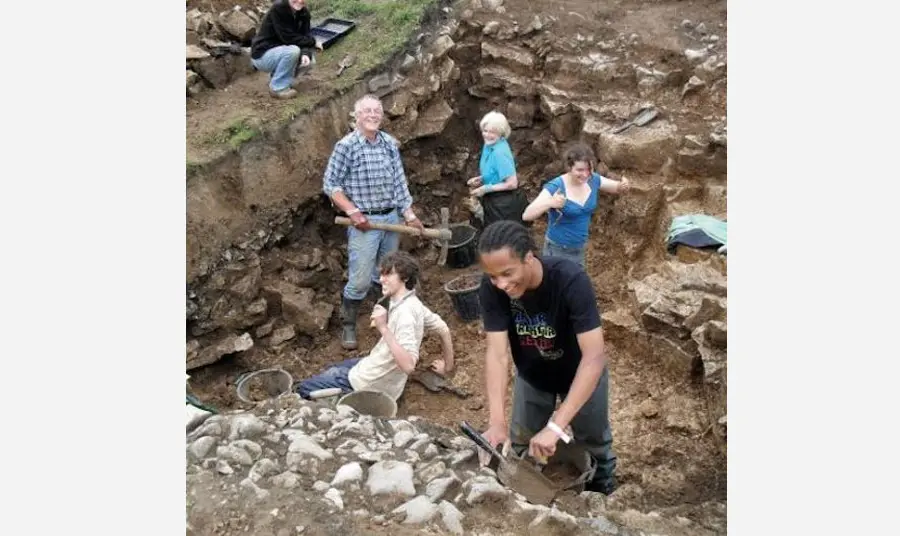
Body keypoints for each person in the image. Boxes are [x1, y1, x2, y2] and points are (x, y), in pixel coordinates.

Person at [475, 220, 618, 495]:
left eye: (507, 273)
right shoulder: (492, 287)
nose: (501, 284)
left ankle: (602, 491)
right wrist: (496, 422)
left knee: (594, 442)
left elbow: (594, 357)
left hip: (580, 373)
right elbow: (497, 353)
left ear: (529, 257)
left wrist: (556, 425)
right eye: (493, 276)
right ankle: (524, 494)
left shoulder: (570, 280)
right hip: (533, 374)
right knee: (521, 442)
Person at [322, 94, 425, 350]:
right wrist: (353, 212)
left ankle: (384, 318)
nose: (372, 115)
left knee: (388, 275)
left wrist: (409, 215)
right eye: (366, 111)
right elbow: (331, 185)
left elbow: (400, 183)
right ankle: (349, 324)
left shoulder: (389, 144)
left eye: (376, 111)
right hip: (365, 222)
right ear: (356, 116)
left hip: (391, 218)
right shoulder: (347, 146)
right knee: (360, 279)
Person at [295, 251, 454, 402]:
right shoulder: (411, 302)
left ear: (405, 278)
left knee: (302, 389)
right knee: (331, 368)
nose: (382, 279)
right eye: (382, 274)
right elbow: (443, 329)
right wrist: (447, 367)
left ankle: (345, 405)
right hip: (375, 367)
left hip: (368, 383)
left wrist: (383, 327)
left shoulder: (405, 315)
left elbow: (409, 366)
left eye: (389, 274)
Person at [522, 143, 631, 267]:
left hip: (579, 248)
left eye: (588, 169)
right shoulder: (556, 186)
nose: (585, 174)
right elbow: (527, 215)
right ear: (569, 167)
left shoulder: (593, 179)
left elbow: (617, 188)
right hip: (557, 249)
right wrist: (550, 202)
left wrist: (624, 185)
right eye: (579, 170)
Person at [250, 0, 323, 99]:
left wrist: (305, 53)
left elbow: (305, 36)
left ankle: (278, 77)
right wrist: (313, 42)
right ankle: (278, 88)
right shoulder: (278, 8)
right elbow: (287, 38)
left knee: (310, 61)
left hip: (280, 51)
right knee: (293, 51)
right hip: (262, 54)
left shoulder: (304, 13)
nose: (299, 1)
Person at [467, 111, 529, 228]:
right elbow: (494, 170)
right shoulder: (489, 145)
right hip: (492, 196)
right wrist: (481, 179)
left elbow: (512, 183)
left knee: (499, 235)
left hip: (504, 202)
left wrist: (486, 188)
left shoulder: (499, 153)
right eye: (485, 131)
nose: (487, 135)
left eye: (493, 132)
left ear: (501, 133)